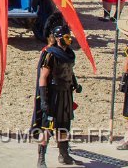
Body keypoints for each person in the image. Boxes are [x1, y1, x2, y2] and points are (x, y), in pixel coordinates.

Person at [31, 16, 82, 168]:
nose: (69, 39)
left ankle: (64, 154)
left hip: (66, 94)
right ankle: (41, 158)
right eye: (66, 37)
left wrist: (75, 84)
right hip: (53, 95)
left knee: (64, 126)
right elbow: (43, 77)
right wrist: (44, 101)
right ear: (59, 38)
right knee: (48, 127)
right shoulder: (50, 54)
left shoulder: (69, 54)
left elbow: (69, 71)